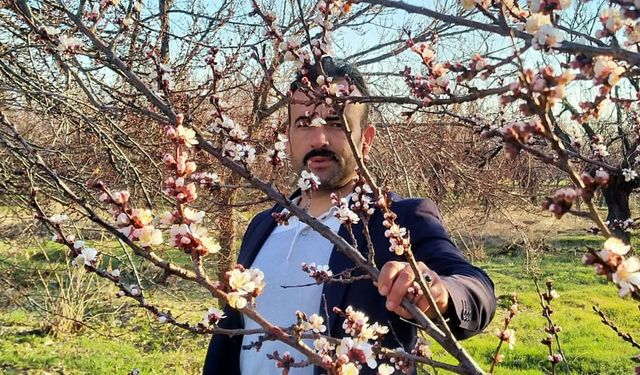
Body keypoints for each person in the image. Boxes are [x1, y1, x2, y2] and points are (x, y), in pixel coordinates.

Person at [203, 57, 496, 375]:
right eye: (304, 124)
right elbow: (234, 331)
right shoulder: (263, 225)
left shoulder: (397, 220)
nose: (319, 139)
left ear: (365, 140)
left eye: (336, 123)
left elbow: (476, 290)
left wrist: (438, 293)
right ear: (288, 136)